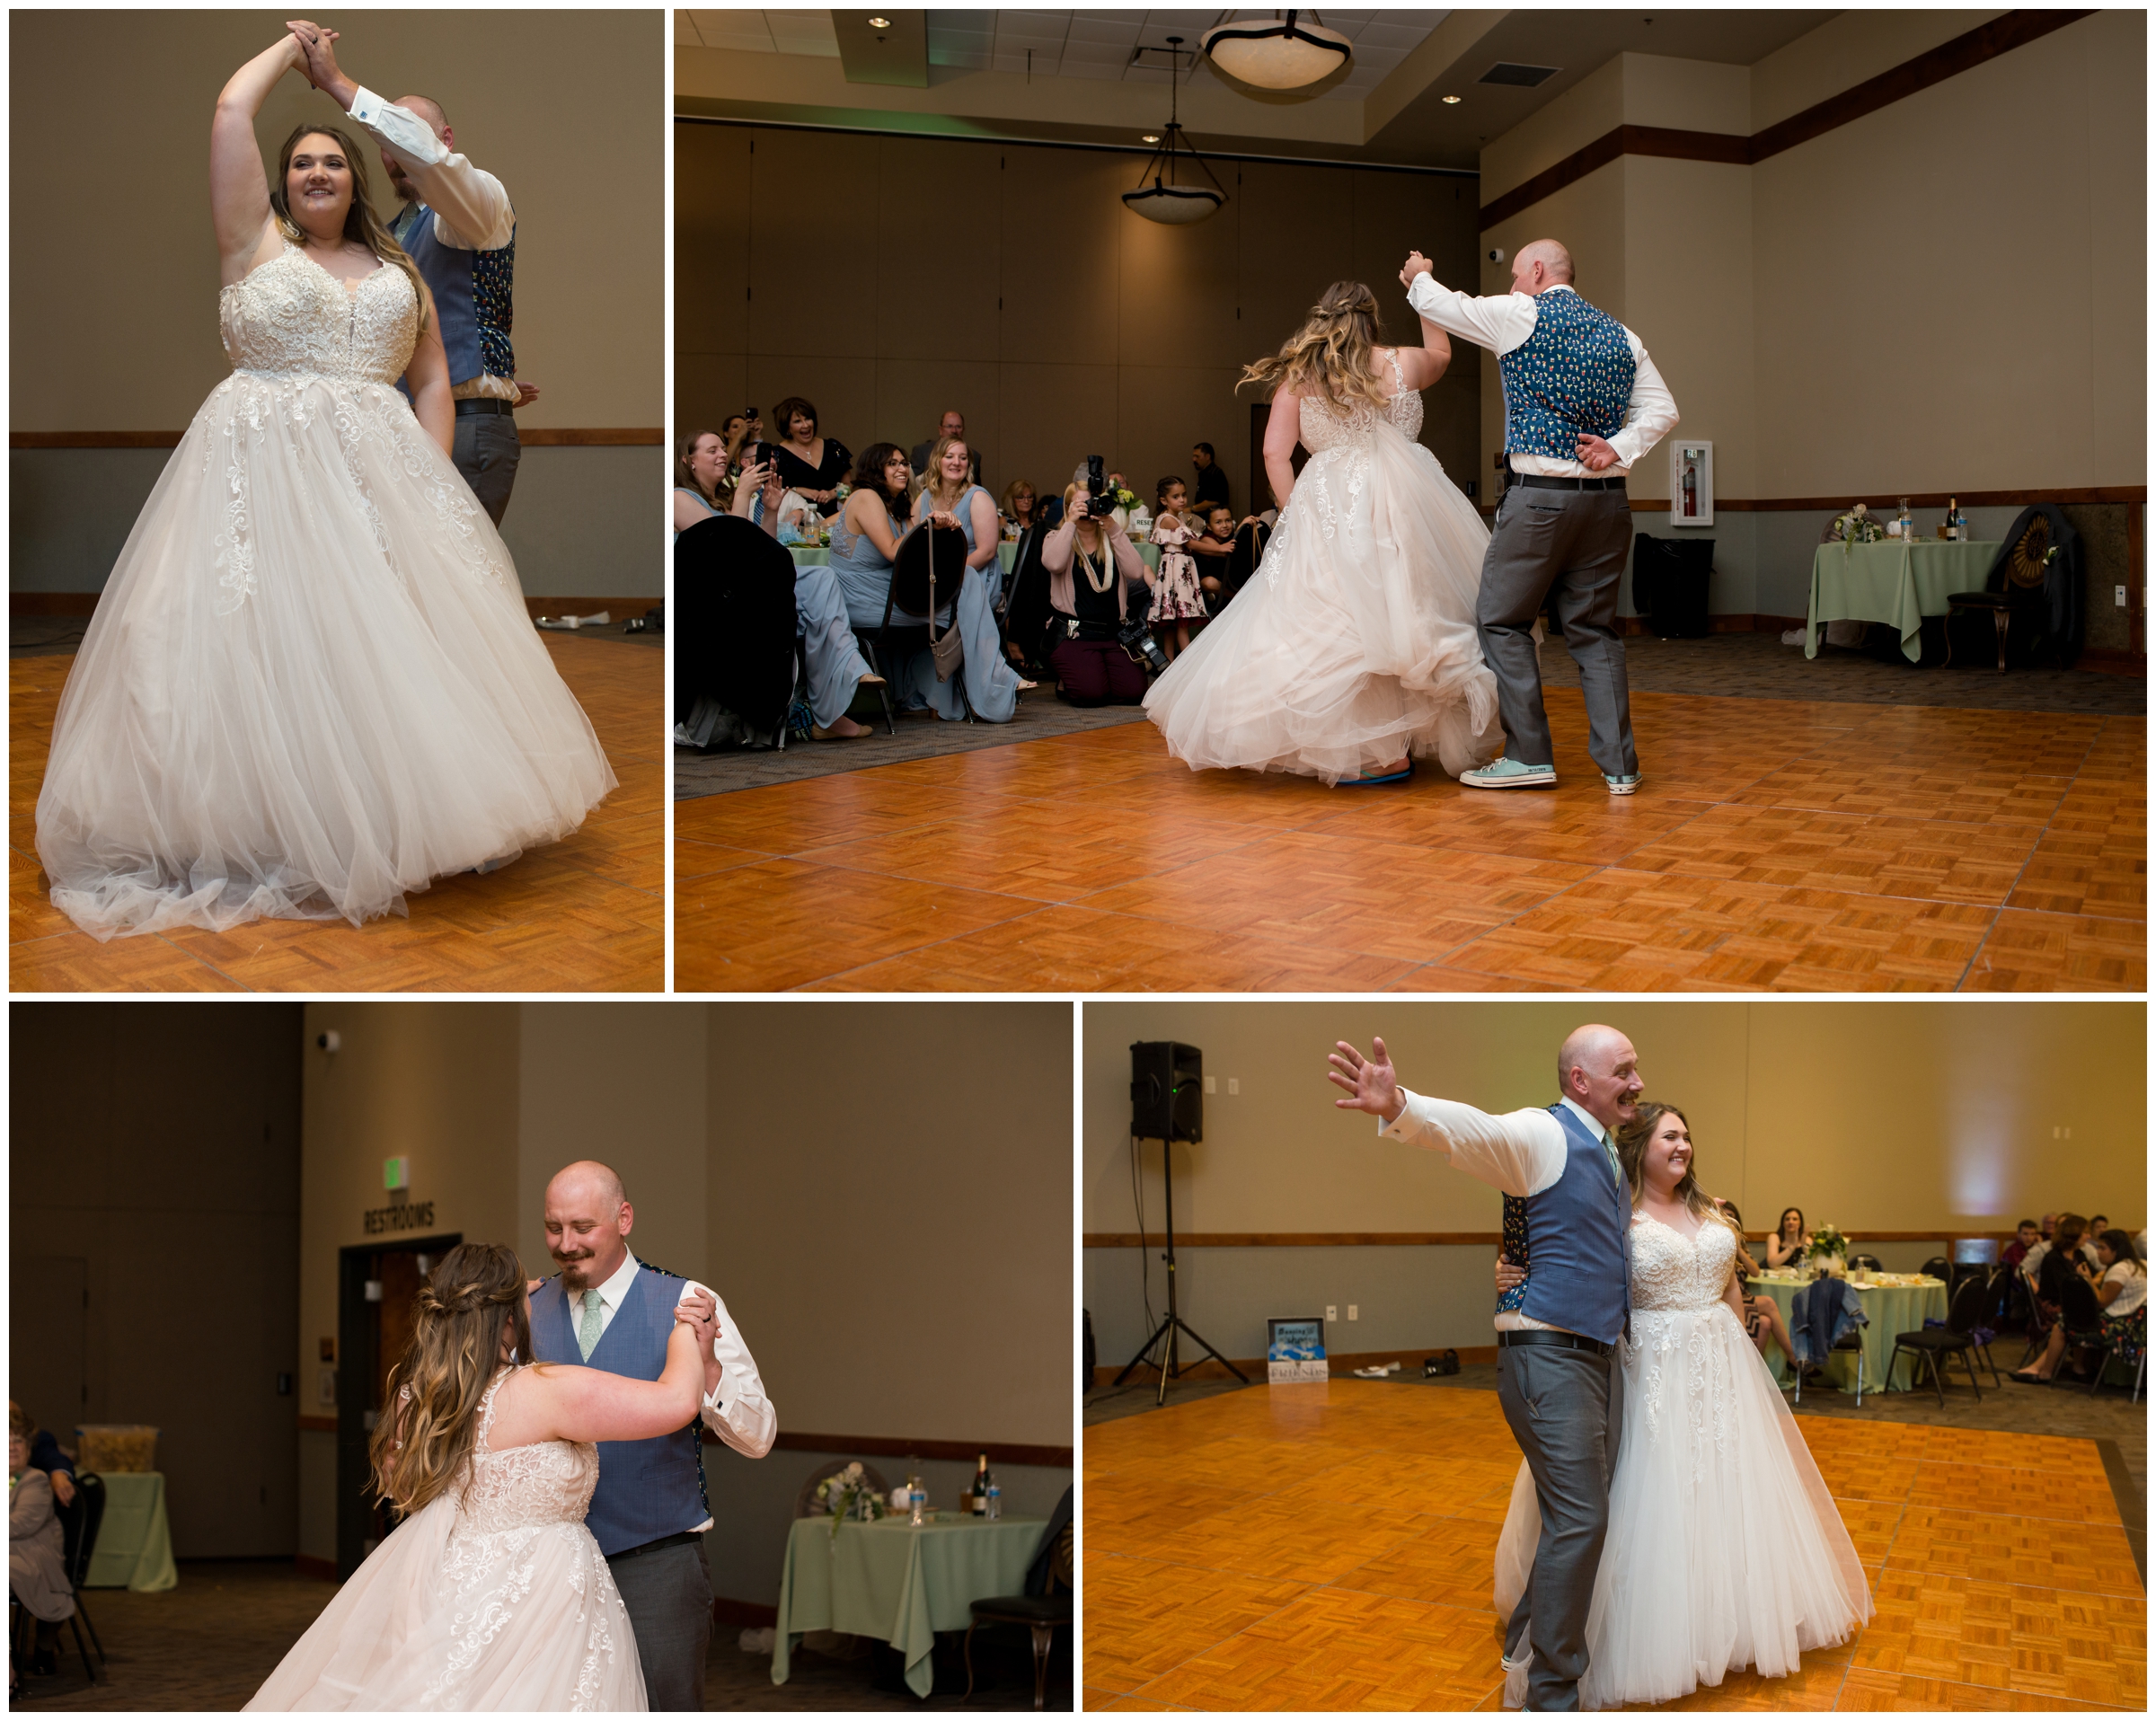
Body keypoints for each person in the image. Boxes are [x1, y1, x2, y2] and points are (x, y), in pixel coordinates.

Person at [35, 35, 614, 942]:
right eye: (301, 162)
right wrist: (292, 47)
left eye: (334, 162)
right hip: (256, 466)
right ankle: (254, 817)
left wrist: (426, 477)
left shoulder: (418, 253)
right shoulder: (252, 244)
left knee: (384, 642)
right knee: (259, 636)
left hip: (378, 470)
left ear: (358, 181)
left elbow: (429, 378)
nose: (318, 171)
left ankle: (410, 816)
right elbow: (229, 112)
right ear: (282, 181)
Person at [245, 1240, 720, 1708]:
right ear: (509, 1317)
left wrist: (509, 1305)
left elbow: (401, 1488)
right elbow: (676, 1402)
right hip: (544, 1597)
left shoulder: (419, 1399)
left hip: (460, 1590)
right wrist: (683, 1329)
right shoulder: (541, 1390)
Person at [1329, 1024, 1640, 1711]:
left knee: (1573, 1516)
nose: (1637, 1082)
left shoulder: (1610, 1152)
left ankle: (1527, 1642)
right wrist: (1401, 1103)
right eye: (1624, 1070)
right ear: (1581, 1080)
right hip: (1549, 1355)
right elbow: (1473, 1130)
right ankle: (1549, 1696)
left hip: (1592, 1358)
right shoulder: (1544, 1132)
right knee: (1583, 1517)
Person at [1144, 280, 1504, 787]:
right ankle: (1396, 741)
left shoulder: (1302, 373)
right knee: (1407, 608)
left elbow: (1275, 452)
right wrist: (1424, 287)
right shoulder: (1401, 361)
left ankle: (1376, 748)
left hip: (1333, 502)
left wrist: (1297, 511)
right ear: (1373, 318)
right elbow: (1443, 352)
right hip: (1407, 501)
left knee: (1337, 618)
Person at [1403, 238, 1679, 794]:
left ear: (1535, 271)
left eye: (1513, 276)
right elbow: (1664, 409)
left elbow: (1443, 306)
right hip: (1607, 506)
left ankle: (1529, 755)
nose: (1508, 287)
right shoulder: (1623, 336)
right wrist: (1618, 449)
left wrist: (1418, 274)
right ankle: (1621, 767)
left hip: (1540, 502)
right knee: (1595, 631)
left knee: (1500, 620)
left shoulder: (1519, 313)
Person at [526, 1163, 775, 1709]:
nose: (565, 1245)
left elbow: (759, 1436)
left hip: (657, 1567)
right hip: (548, 1567)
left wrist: (708, 1369)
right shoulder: (524, 1310)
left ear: (624, 1218)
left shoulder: (688, 1303)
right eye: (553, 1228)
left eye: (582, 1227)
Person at [288, 22, 535, 526]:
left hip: (463, 427)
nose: (391, 149)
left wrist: (337, 81)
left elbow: (432, 166)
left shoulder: (480, 200)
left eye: (403, 132)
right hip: (399, 427)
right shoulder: (388, 232)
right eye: (383, 140)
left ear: (443, 140)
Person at [686, 438, 880, 741]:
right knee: (816, 592)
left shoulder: (720, 501)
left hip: (746, 592)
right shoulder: (679, 498)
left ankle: (840, 686)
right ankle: (835, 699)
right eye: (713, 450)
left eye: (724, 448)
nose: (723, 454)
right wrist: (743, 494)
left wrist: (770, 511)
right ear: (689, 461)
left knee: (822, 579)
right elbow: (729, 556)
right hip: (714, 604)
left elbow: (762, 554)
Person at [831, 444, 1027, 722]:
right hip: (861, 598)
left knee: (966, 583)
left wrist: (939, 533)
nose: (902, 468)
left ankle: (981, 684)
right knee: (966, 595)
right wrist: (928, 526)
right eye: (893, 464)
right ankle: (992, 680)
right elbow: (892, 551)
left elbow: (916, 558)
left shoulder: (893, 504)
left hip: (885, 592)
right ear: (876, 470)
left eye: (904, 463)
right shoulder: (866, 497)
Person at [1021, 485, 1153, 707]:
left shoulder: (1111, 539)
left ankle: (1096, 673)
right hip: (1074, 634)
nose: (1087, 509)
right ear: (1067, 508)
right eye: (1079, 504)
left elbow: (1136, 572)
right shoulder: (1055, 537)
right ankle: (1074, 678)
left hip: (1113, 633)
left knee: (1135, 693)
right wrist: (1070, 523)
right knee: (1090, 695)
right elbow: (1053, 563)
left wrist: (1114, 529)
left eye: (1091, 502)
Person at [2015, 1230, 2144, 1385]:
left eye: (2102, 1248)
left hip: (2122, 1329)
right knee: (2075, 1318)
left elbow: (2102, 1301)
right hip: (2138, 1325)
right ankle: (2077, 1368)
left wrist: (2088, 1279)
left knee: (2064, 1324)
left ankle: (2045, 1372)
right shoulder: (2142, 1265)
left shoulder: (2120, 1270)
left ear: (2116, 1251)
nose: (2098, 1252)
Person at [9, 1419, 75, 1688]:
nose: (12, 1448)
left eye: (18, 1441)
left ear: (28, 1447)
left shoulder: (35, 1479)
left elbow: (21, 1524)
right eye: (6, 1441)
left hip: (35, 1557)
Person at [915, 436, 1011, 608]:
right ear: (937, 461)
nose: (957, 462)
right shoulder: (924, 498)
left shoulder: (978, 497)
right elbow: (911, 541)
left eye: (963, 458)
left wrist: (946, 577)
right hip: (933, 580)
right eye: (949, 456)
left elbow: (987, 552)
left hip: (973, 577)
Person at [1147, 477, 1206, 661]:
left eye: (1184, 495)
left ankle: (1169, 663)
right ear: (1164, 500)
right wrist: (1220, 548)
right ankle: (1187, 665)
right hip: (1175, 570)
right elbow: (1192, 543)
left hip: (1178, 568)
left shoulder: (1177, 517)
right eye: (1176, 496)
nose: (1182, 499)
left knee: (1171, 621)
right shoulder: (1168, 519)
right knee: (1180, 620)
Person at [768, 396, 852, 516]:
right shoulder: (776, 455)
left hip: (833, 521)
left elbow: (849, 485)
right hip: (796, 521)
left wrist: (833, 493)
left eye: (808, 419)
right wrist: (799, 491)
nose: (805, 425)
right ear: (787, 427)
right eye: (797, 421)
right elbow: (770, 492)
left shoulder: (833, 448)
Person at [912, 409, 980, 490]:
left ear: (963, 430)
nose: (954, 431)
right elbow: (913, 485)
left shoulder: (974, 456)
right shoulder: (922, 451)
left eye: (958, 427)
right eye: (949, 426)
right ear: (940, 430)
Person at [1189, 441, 1230, 514]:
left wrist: (1191, 509)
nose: (1194, 459)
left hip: (1214, 519)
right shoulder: (1204, 474)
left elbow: (1214, 502)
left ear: (1207, 456)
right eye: (1194, 456)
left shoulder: (1216, 474)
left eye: (1197, 456)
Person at [1765, 1206, 1811, 1270]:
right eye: (1787, 1219)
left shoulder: (1807, 1239)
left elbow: (1812, 1263)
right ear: (1783, 1223)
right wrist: (1792, 1246)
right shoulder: (1774, 1237)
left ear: (1800, 1223)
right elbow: (1772, 1264)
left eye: (1794, 1219)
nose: (1791, 1222)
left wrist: (1803, 1244)